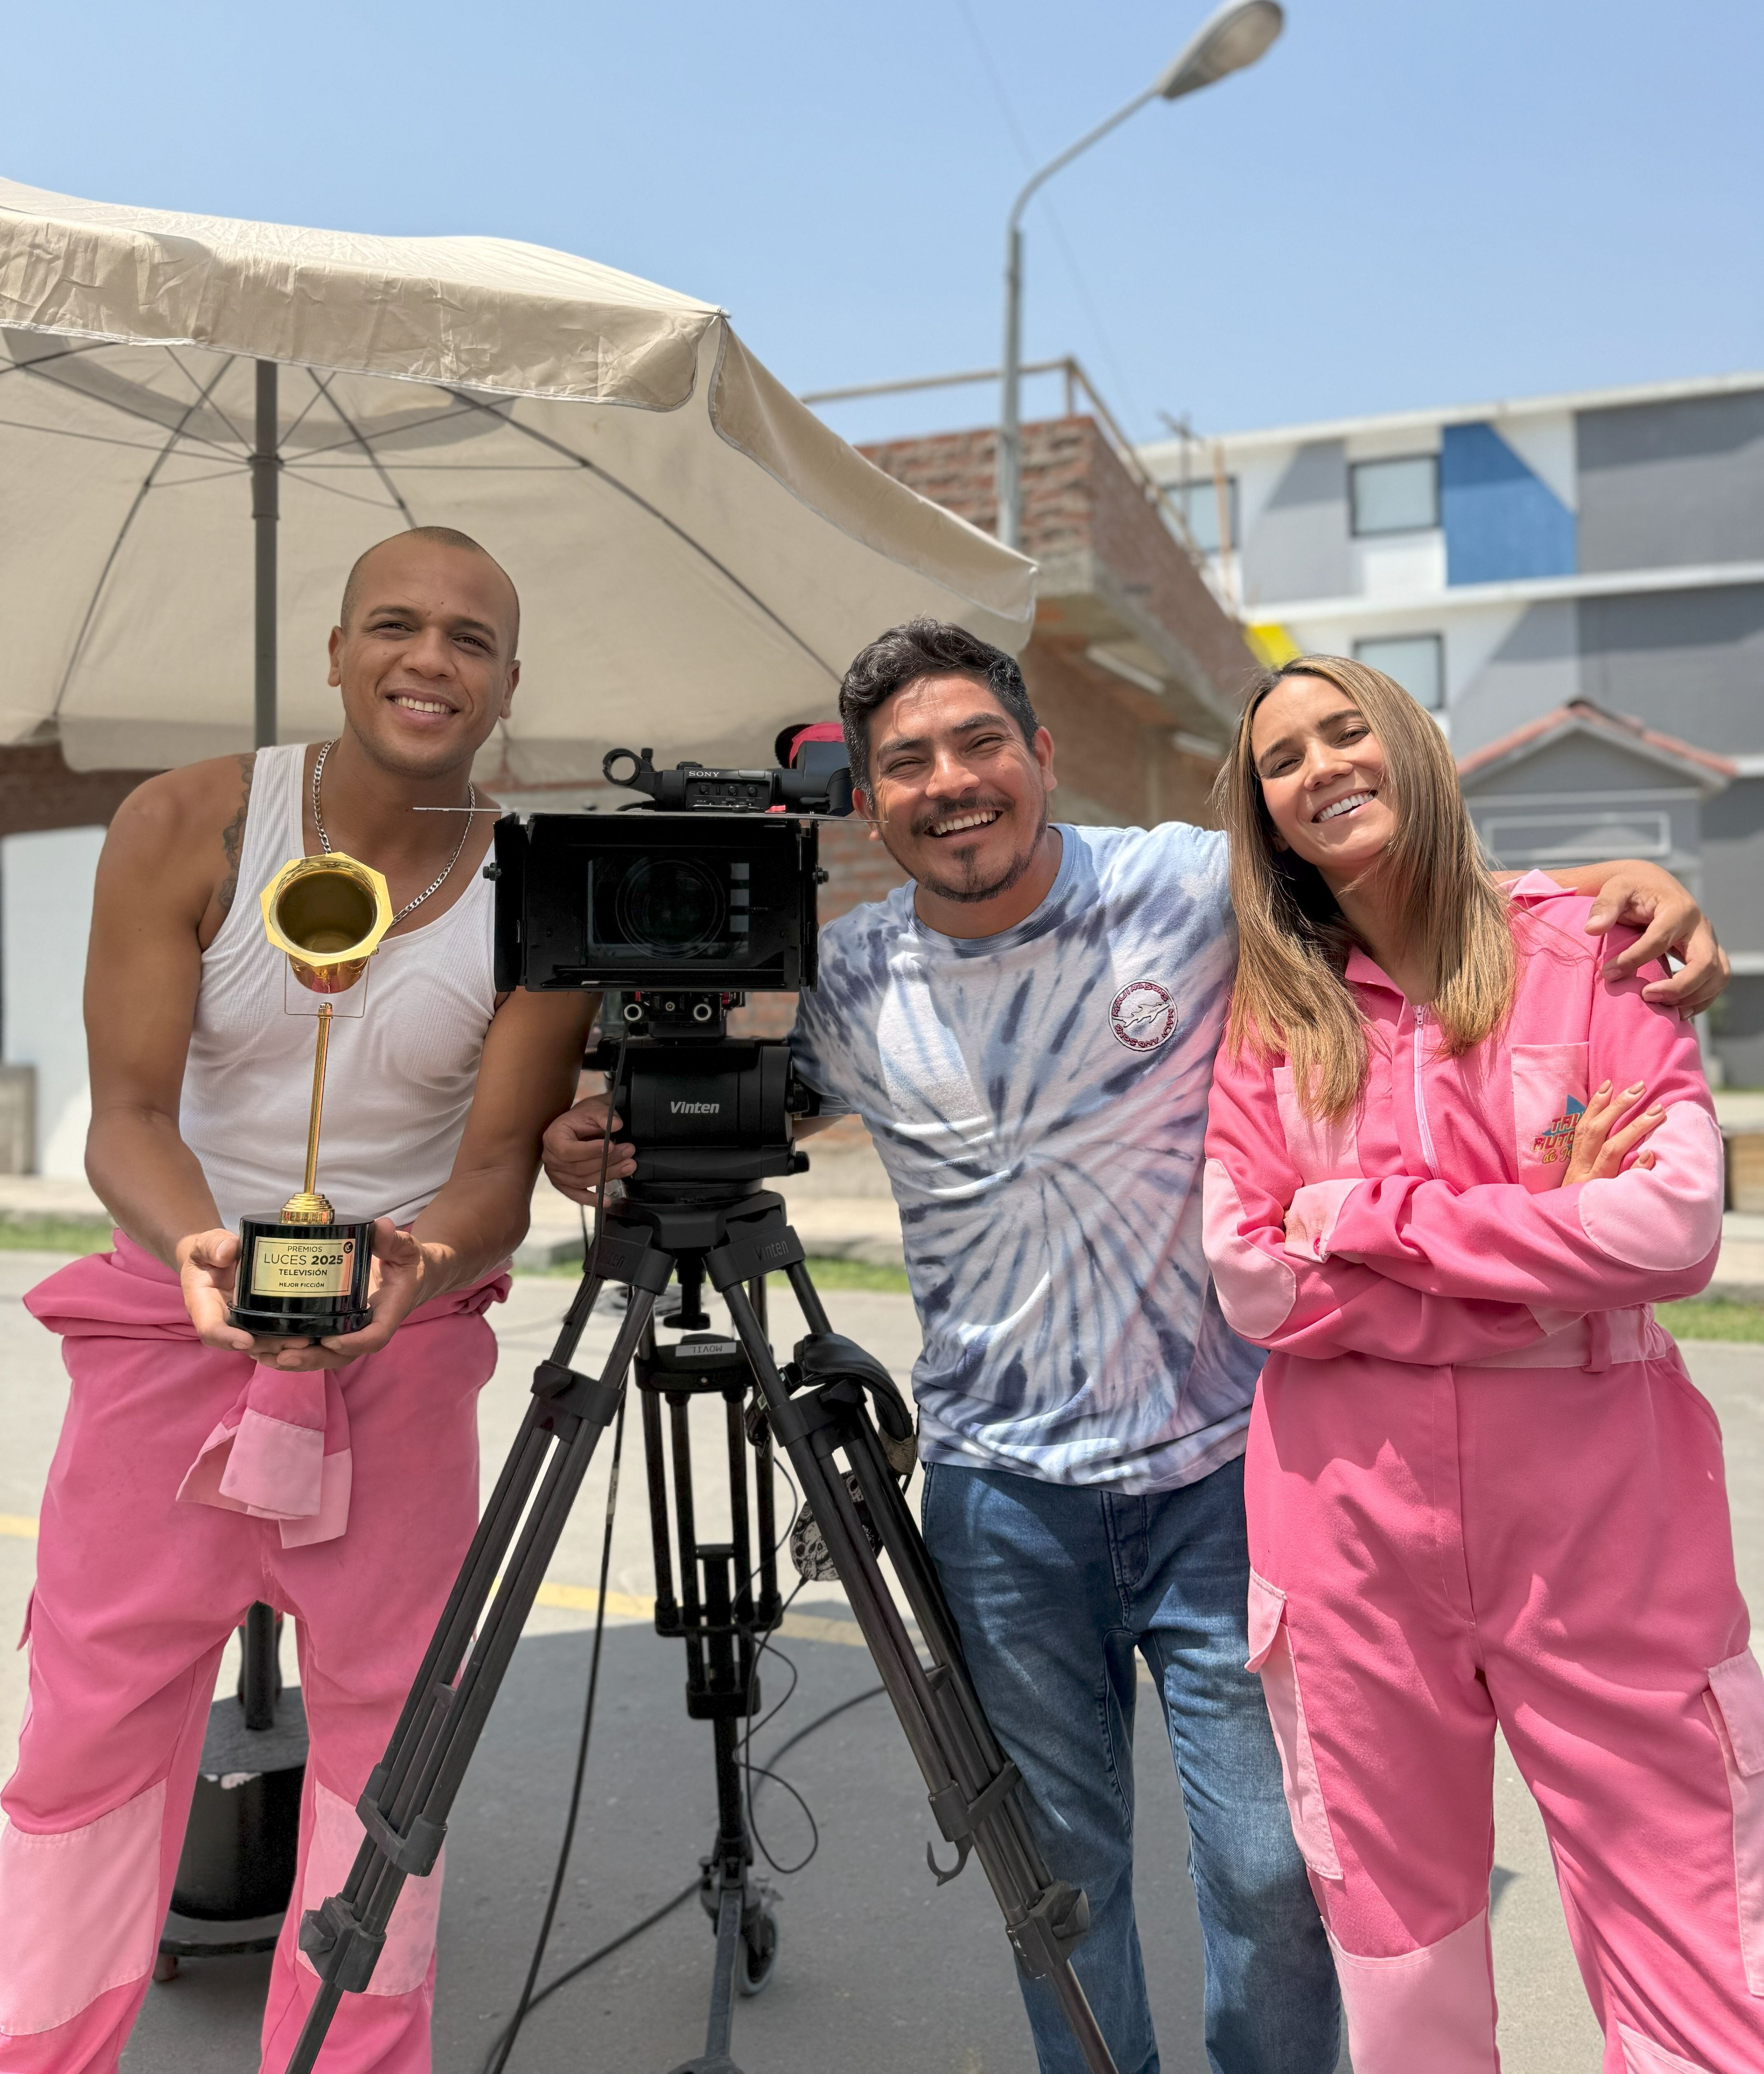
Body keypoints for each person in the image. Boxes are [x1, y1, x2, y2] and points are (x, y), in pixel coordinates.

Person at [541, 618, 1727, 2074]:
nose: (950, 782)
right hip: (998, 1495)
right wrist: (597, 1129)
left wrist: (1620, 885)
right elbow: (743, 1101)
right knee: (1057, 1881)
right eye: (905, 763)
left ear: (1041, 755)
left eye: (980, 743)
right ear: (870, 800)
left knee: (1274, 1879)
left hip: (1226, 1475)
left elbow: (1382, 870)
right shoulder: (845, 980)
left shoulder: (1187, 885)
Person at [0, 528, 594, 2074]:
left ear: (507, 684)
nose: (428, 659)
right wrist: (203, 1248)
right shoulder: (190, 818)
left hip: (401, 1345)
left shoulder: (535, 883)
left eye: (470, 638)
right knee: (88, 1733)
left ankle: (348, 2056)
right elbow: (125, 1113)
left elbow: (495, 1175)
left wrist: (420, 1264)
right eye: (393, 626)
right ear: (335, 653)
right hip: (169, 1320)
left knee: (391, 1752)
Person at [1202, 653, 1758, 2074]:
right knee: (1400, 1957)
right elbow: (1252, 1275)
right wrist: (1534, 1278)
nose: (1320, 766)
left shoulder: (1590, 949)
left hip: (1606, 1533)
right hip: (1346, 1545)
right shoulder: (1275, 1011)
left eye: (1347, 732)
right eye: (1282, 759)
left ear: (1417, 749)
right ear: (1262, 814)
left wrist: (1366, 1225)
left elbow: (1668, 1225)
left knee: (1698, 1938)